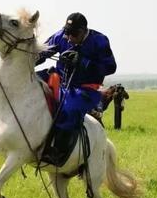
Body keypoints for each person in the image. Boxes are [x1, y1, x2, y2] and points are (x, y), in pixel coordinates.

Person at [35, 12, 116, 162]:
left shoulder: (99, 41)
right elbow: (42, 53)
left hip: (87, 88)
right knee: (31, 81)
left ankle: (58, 152)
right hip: (59, 79)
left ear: (84, 30)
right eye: (67, 33)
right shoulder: (61, 36)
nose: (70, 37)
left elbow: (111, 67)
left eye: (74, 34)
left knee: (70, 108)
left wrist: (83, 62)